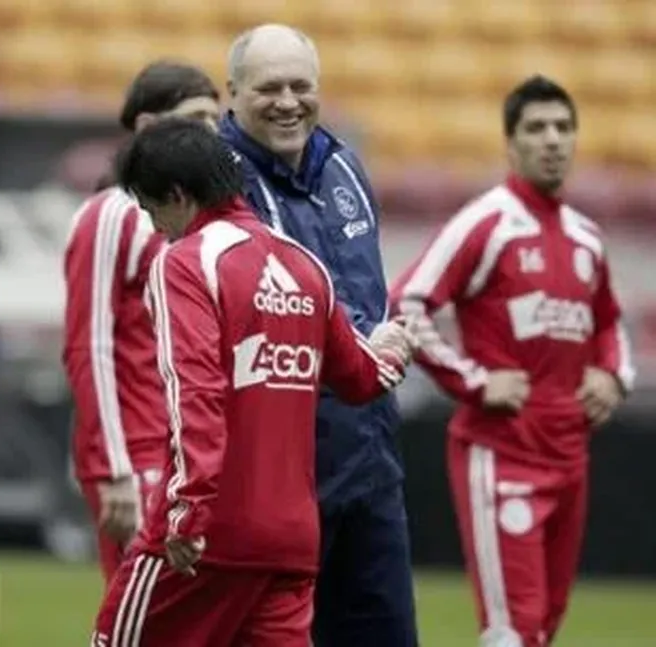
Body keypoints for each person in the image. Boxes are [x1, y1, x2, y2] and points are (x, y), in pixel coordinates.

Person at [91, 118, 414, 646]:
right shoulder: (303, 264)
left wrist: (187, 509)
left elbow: (194, 392)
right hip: (290, 541)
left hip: (212, 530)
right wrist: (394, 350)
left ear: (178, 195)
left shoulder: (185, 263)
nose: (156, 228)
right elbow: (363, 378)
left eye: (152, 210)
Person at [389, 76, 635, 647]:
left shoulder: (586, 237)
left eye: (563, 127)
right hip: (501, 453)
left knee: (543, 625)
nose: (552, 139)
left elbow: (609, 322)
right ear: (511, 143)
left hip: (569, 454)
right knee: (512, 630)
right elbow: (406, 302)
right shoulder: (487, 223)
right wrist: (473, 381)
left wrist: (614, 377)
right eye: (536, 128)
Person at [219, 24, 418, 646]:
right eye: (269, 88)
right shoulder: (218, 184)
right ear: (233, 93)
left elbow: (366, 291)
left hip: (370, 461)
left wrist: (389, 338)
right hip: (278, 474)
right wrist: (361, 348)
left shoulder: (343, 166)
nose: (288, 102)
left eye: (300, 86)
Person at [62, 61, 220, 582]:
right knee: (149, 610)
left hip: (193, 453)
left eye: (216, 118)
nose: (211, 131)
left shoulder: (204, 220)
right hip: (138, 452)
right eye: (196, 118)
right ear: (149, 126)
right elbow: (88, 346)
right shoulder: (112, 213)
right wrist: (113, 469)